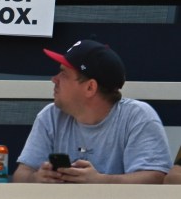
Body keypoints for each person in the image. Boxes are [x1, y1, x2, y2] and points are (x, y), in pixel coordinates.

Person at [13, 39, 171, 184]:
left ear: (90, 87)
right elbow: (21, 175)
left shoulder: (137, 116)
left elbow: (155, 179)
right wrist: (37, 178)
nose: (54, 79)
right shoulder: (50, 116)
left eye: (64, 74)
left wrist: (99, 182)